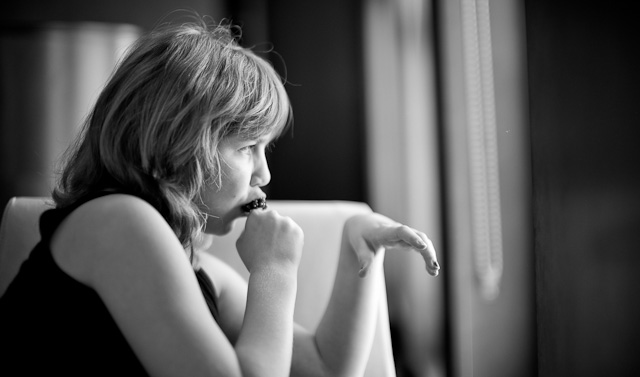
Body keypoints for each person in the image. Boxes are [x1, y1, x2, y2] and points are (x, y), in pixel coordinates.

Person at [0, 14, 440, 377]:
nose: (264, 174)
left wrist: (357, 247)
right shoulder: (119, 221)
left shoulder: (192, 262)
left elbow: (325, 369)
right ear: (177, 140)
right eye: (248, 147)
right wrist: (274, 270)